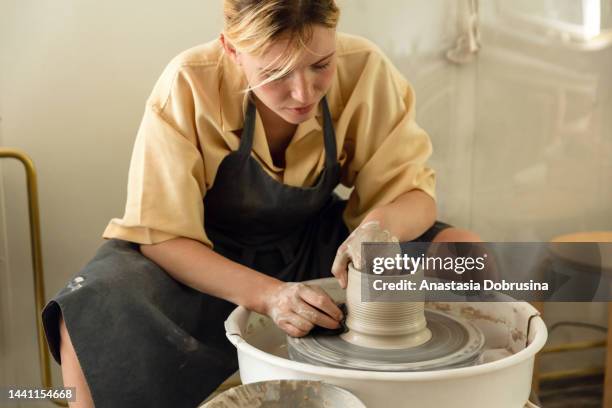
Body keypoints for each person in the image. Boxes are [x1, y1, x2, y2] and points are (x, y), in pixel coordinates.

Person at [42, 1, 480, 407]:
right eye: (275, 74)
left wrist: (376, 228)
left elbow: (415, 196)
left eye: (320, 65)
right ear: (232, 50)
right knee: (92, 305)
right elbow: (162, 238)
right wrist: (269, 296)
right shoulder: (189, 81)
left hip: (315, 247)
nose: (303, 93)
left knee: (465, 253)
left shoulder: (363, 67)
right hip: (201, 260)